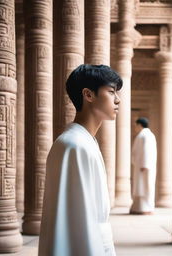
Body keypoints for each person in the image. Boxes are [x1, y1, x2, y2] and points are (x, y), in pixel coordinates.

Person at [38, 64, 122, 256]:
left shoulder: (83, 141)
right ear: (88, 95)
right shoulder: (74, 145)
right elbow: (81, 226)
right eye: (111, 92)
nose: (118, 100)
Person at [130, 117, 157, 214]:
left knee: (144, 187)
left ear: (139, 125)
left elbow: (147, 150)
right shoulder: (143, 135)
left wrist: (145, 164)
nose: (134, 128)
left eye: (135, 125)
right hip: (140, 165)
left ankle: (145, 208)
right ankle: (138, 208)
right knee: (140, 187)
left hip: (144, 166)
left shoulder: (146, 135)